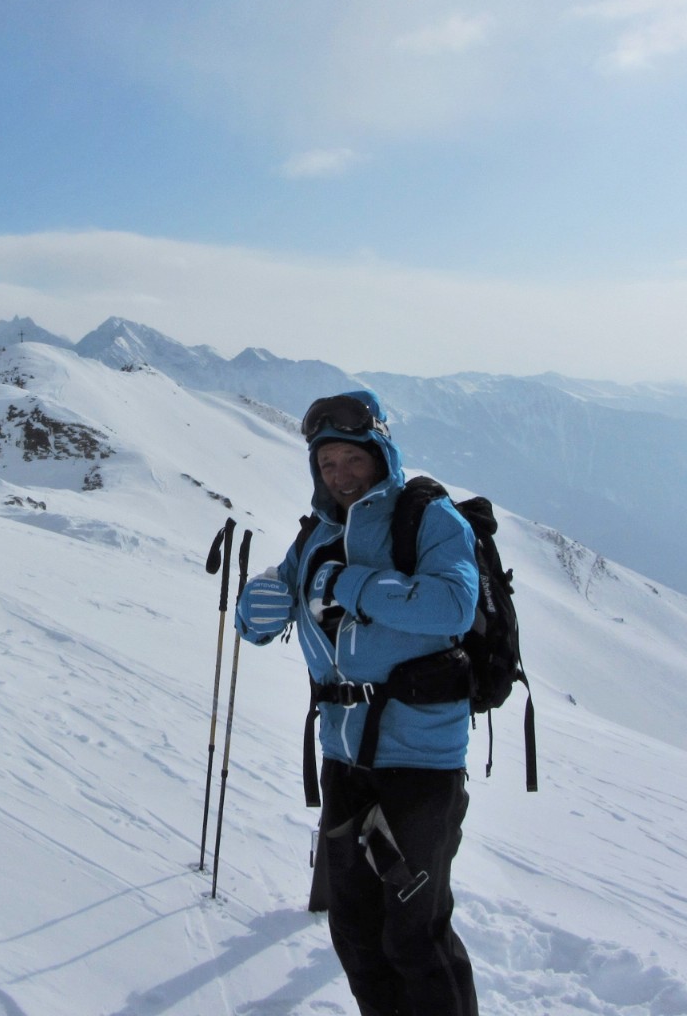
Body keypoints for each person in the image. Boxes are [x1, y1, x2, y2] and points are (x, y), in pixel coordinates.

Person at [236, 390, 480, 1016]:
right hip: (345, 759)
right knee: (355, 931)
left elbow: (453, 606)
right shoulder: (317, 533)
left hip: (419, 763)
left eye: (352, 459)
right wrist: (253, 612)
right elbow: (277, 598)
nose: (340, 475)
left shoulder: (428, 520)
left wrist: (352, 583)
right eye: (327, 464)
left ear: (380, 454)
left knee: (414, 935)